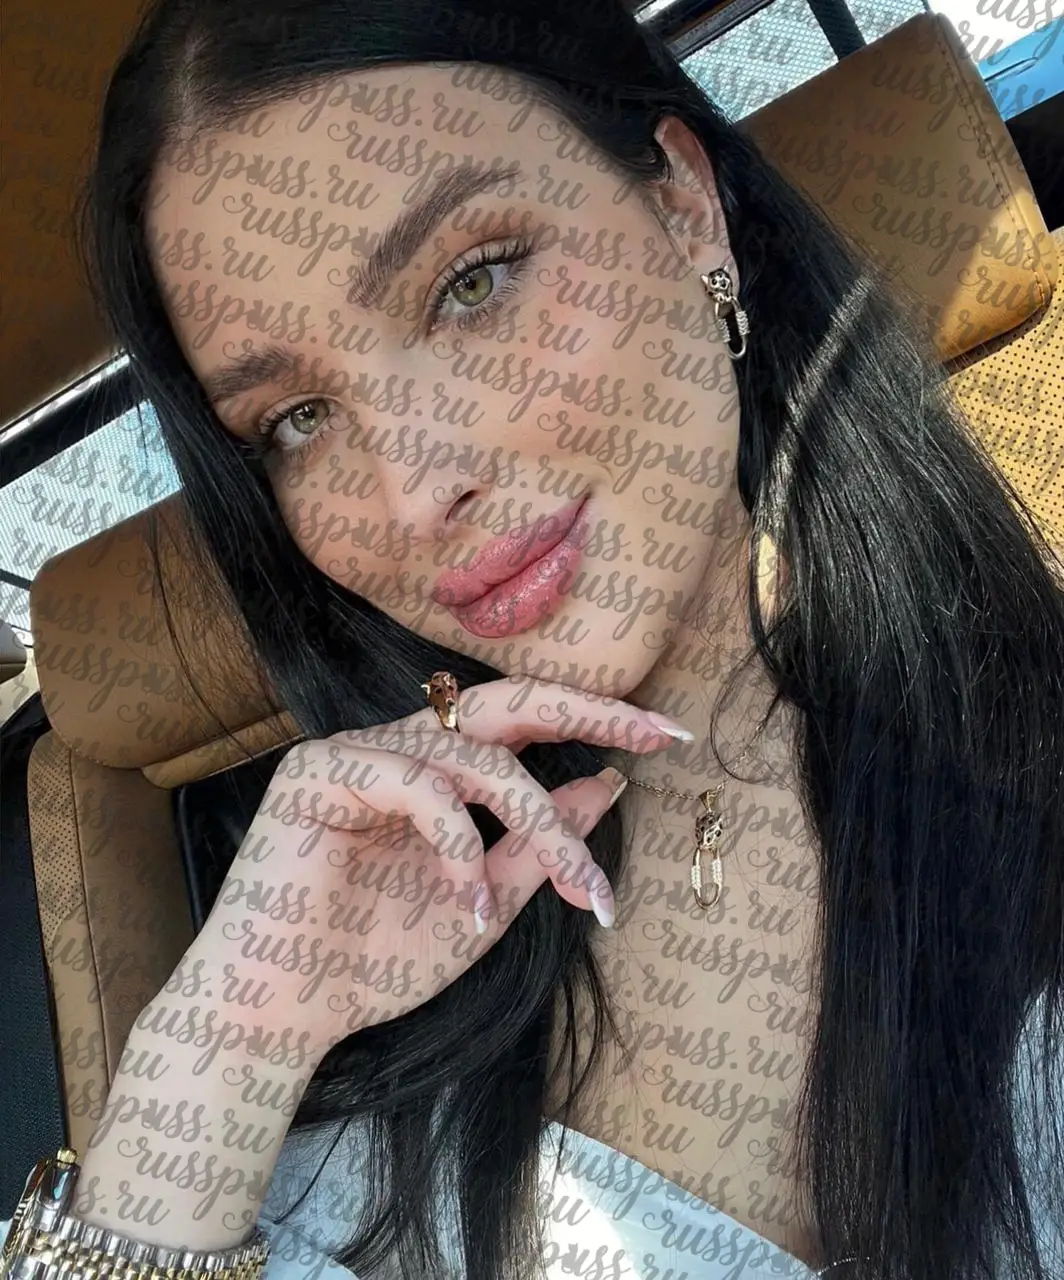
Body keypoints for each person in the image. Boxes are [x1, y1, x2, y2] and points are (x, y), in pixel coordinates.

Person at [3, 0, 1064, 1276]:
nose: (411, 493)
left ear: (683, 206)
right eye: (296, 419)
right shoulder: (341, 1069)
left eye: (472, 281)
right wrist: (222, 1041)